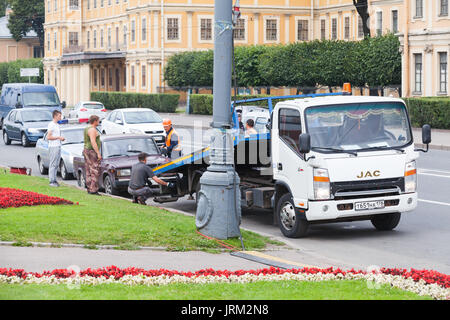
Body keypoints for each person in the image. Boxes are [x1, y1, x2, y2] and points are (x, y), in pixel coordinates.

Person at [83, 115, 102, 195]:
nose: (99, 122)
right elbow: (93, 142)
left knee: (88, 169)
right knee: (95, 170)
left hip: (86, 150)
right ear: (95, 121)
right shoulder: (92, 130)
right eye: (98, 120)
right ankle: (93, 189)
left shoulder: (86, 128)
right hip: (91, 151)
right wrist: (98, 153)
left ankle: (89, 187)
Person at [47, 110, 65, 187]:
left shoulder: (57, 125)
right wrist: (58, 137)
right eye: (59, 116)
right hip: (53, 146)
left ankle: (54, 179)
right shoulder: (51, 125)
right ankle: (51, 180)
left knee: (56, 164)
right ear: (55, 116)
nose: (60, 117)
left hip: (58, 145)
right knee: (53, 163)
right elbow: (49, 137)